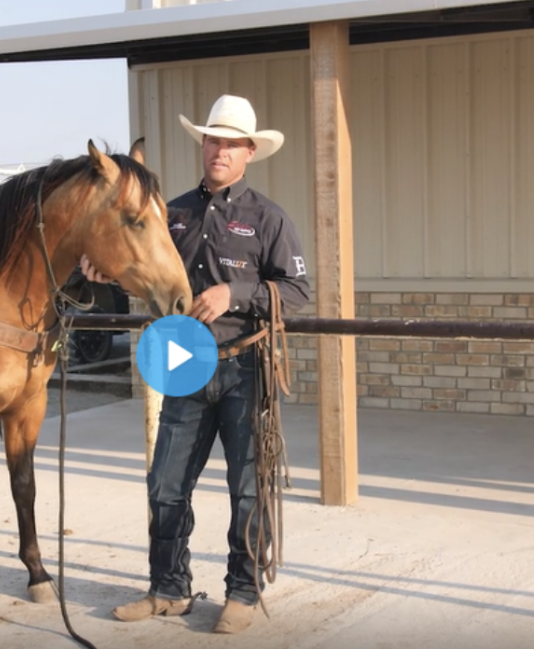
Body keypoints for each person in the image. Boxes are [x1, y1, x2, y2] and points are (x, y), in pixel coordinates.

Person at [80, 94, 310, 634]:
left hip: (244, 366)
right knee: (165, 482)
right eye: (213, 140)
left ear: (250, 152)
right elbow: (143, 266)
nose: (220, 151)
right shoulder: (173, 212)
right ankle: (168, 588)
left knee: (249, 485)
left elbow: (297, 290)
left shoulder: (268, 218)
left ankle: (243, 592)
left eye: (231, 143)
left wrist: (236, 292)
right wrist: (105, 272)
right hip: (183, 365)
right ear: (202, 146)